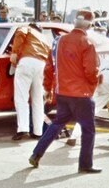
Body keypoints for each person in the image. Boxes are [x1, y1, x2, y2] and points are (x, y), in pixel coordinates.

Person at [29, 10, 102, 174]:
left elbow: (49, 66)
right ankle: (85, 164)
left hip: (62, 92)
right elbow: (91, 71)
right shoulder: (87, 43)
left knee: (56, 125)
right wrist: (94, 83)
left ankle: (37, 153)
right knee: (88, 129)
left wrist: (48, 87)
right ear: (89, 25)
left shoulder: (59, 41)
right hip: (81, 94)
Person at [10, 22, 51, 140]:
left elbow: (20, 34)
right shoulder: (45, 39)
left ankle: (23, 129)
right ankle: (38, 132)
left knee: (21, 97)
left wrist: (14, 52)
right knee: (37, 100)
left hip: (26, 61)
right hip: (41, 66)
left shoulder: (27, 29)